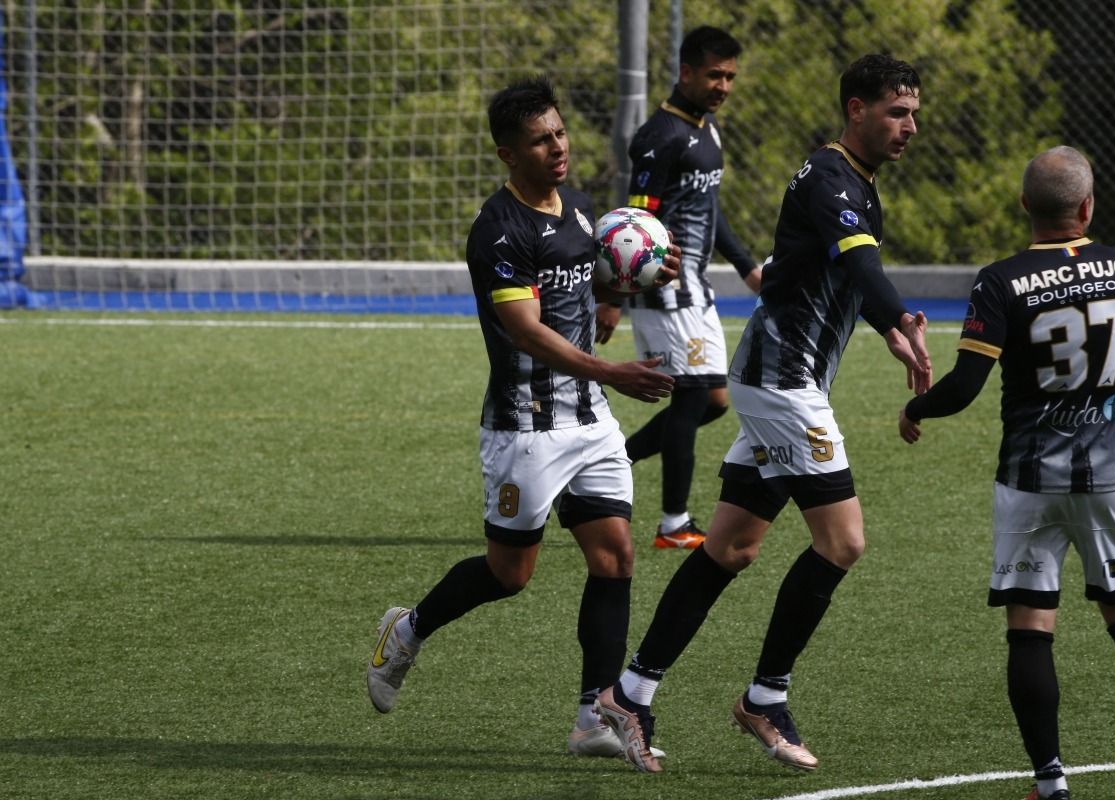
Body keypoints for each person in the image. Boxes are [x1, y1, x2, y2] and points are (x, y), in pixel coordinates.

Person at [594, 54, 931, 773]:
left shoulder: (857, 183)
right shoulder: (831, 176)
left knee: (732, 547)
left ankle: (630, 691)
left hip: (780, 379)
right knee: (842, 542)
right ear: (855, 109)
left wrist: (889, 328)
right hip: (782, 385)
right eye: (897, 112)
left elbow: (841, 273)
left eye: (914, 114)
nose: (910, 127)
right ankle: (765, 697)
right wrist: (899, 314)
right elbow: (862, 265)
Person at [365, 76, 680, 761]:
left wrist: (643, 270)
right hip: (524, 426)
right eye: (542, 140)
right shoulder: (497, 231)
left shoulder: (581, 209)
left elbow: (585, 282)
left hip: (588, 419)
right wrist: (616, 371)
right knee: (511, 574)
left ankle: (592, 715)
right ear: (510, 154)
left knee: (616, 556)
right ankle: (409, 629)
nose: (558, 147)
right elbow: (527, 330)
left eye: (561, 133)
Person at [898, 146, 1115, 800]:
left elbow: (965, 386)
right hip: (1113, 475)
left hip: (1029, 479)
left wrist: (916, 407)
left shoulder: (999, 280)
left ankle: (1050, 781)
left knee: (1031, 624)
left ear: (1023, 206)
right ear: (1088, 206)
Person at [596, 26, 761, 550]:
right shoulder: (659, 137)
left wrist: (746, 266)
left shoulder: (707, 130)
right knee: (692, 399)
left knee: (713, 400)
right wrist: (612, 298)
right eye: (715, 74)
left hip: (696, 287)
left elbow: (710, 208)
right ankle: (674, 523)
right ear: (686, 72)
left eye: (731, 76)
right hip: (665, 287)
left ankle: (610, 462)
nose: (724, 86)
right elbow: (634, 223)